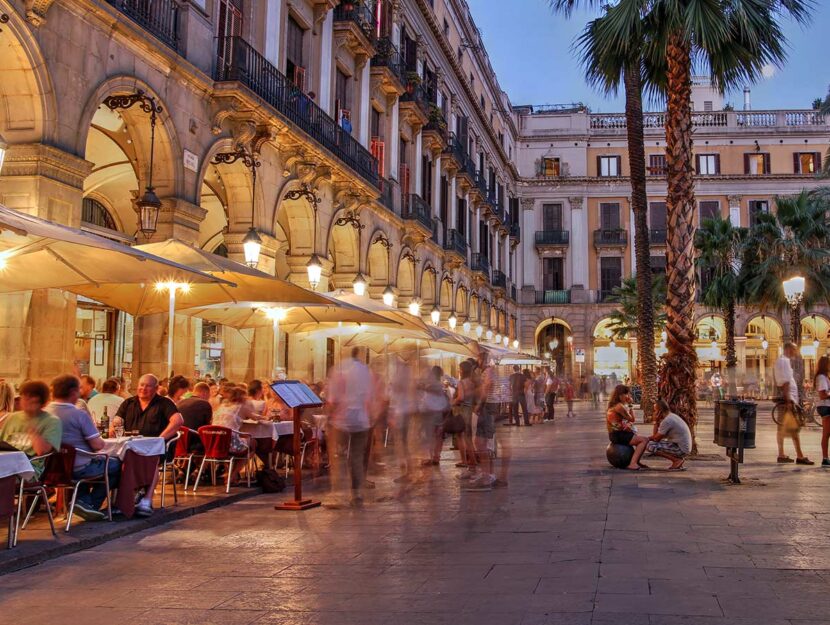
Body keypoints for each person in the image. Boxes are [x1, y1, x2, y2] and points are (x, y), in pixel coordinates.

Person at [47, 375, 121, 520]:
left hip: (51, 468)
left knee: (89, 463)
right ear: (74, 392)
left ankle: (81, 500)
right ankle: (90, 503)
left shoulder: (44, 413)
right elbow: (98, 445)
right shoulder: (78, 415)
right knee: (117, 465)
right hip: (79, 468)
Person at [114, 374, 184, 516]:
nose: (143, 388)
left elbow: (178, 421)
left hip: (156, 448)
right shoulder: (128, 403)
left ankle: (146, 500)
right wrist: (114, 427)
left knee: (152, 459)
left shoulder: (164, 403)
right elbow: (116, 422)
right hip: (131, 447)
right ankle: (123, 501)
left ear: (156, 388)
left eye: (148, 386)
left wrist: (159, 439)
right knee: (113, 461)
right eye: (141, 385)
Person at [326, 347, 374, 507]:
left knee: (338, 457)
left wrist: (330, 416)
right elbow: (370, 397)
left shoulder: (339, 370)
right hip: (361, 419)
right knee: (356, 458)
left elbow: (332, 399)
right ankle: (357, 493)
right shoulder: (366, 370)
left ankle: (338, 494)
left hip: (342, 419)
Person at [0, 380, 61, 479]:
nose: (26, 400)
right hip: (7, 466)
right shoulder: (12, 418)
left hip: (29, 469)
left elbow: (42, 451)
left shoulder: (52, 421)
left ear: (41, 401)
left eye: (31, 397)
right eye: (24, 396)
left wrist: (31, 425)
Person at [773, 342, 813, 465]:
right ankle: (800, 456)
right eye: (795, 349)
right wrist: (788, 401)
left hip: (785, 400)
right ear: (789, 349)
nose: (796, 352)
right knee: (794, 428)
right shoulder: (784, 361)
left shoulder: (781, 360)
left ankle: (781, 454)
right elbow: (785, 382)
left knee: (782, 428)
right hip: (788, 400)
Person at [464, 352, 500, 490]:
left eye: (478, 358)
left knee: (481, 442)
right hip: (486, 408)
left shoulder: (488, 371)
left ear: (483, 359)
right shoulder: (486, 371)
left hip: (486, 408)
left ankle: (487, 475)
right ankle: (486, 473)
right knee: (482, 442)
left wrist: (479, 405)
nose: (477, 360)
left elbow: (486, 388)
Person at [211, 386, 255, 486]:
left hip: (213, 444)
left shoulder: (221, 406)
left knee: (241, 443)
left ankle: (230, 473)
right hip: (229, 444)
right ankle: (232, 475)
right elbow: (256, 417)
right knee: (252, 444)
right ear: (243, 397)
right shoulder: (241, 407)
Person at [606, 384, 648, 471]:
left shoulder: (615, 405)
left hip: (615, 433)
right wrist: (630, 404)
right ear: (620, 395)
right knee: (644, 440)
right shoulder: (619, 407)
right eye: (626, 394)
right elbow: (632, 419)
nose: (627, 396)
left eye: (628, 394)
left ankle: (635, 461)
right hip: (617, 435)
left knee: (640, 439)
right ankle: (633, 463)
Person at [646, 400, 692, 470]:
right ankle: (677, 459)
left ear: (660, 411)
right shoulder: (672, 416)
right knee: (652, 443)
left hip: (681, 449)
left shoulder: (667, 421)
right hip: (682, 447)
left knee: (649, 445)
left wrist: (655, 421)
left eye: (655, 411)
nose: (654, 413)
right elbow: (657, 437)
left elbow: (656, 438)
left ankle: (676, 460)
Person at [418, 365, 450, 466]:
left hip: (430, 414)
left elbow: (427, 393)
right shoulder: (439, 385)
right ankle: (436, 457)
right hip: (438, 414)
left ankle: (431, 457)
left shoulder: (433, 385)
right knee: (438, 436)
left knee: (430, 436)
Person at [453, 360, 477, 472]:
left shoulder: (461, 382)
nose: (459, 370)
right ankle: (472, 460)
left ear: (462, 370)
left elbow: (461, 397)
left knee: (460, 437)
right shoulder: (473, 382)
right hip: (470, 410)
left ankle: (465, 460)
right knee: (468, 438)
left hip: (462, 411)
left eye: (459, 368)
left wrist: (452, 401)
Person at [176, 381, 212, 456]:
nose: (208, 398)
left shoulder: (180, 402)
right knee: (212, 443)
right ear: (204, 393)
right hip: (194, 442)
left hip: (178, 440)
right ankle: (206, 467)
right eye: (209, 396)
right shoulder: (204, 404)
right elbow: (207, 427)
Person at [814, 355, 830, 467]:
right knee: (826, 433)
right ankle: (825, 458)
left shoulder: (823, 377)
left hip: (826, 406)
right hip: (826, 407)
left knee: (827, 433)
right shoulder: (821, 378)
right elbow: (822, 394)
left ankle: (825, 457)